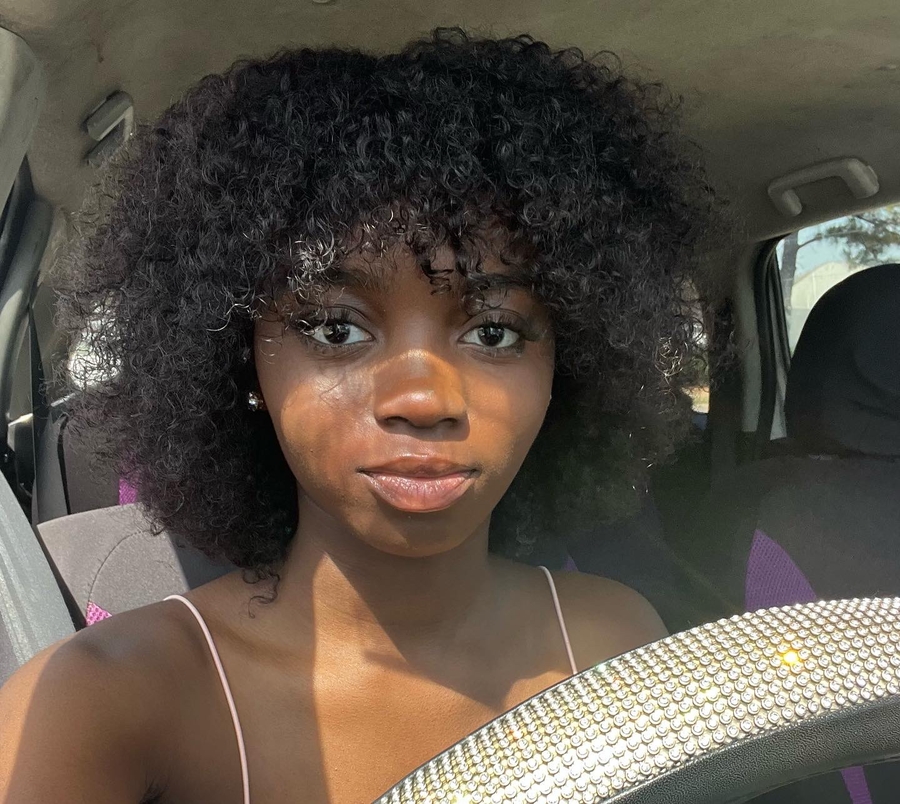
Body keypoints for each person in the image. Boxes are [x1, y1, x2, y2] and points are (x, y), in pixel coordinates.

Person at [0, 28, 715, 803]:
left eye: (494, 332)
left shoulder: (617, 642)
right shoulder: (107, 702)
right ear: (243, 360)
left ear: (563, 370)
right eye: (336, 330)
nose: (425, 400)